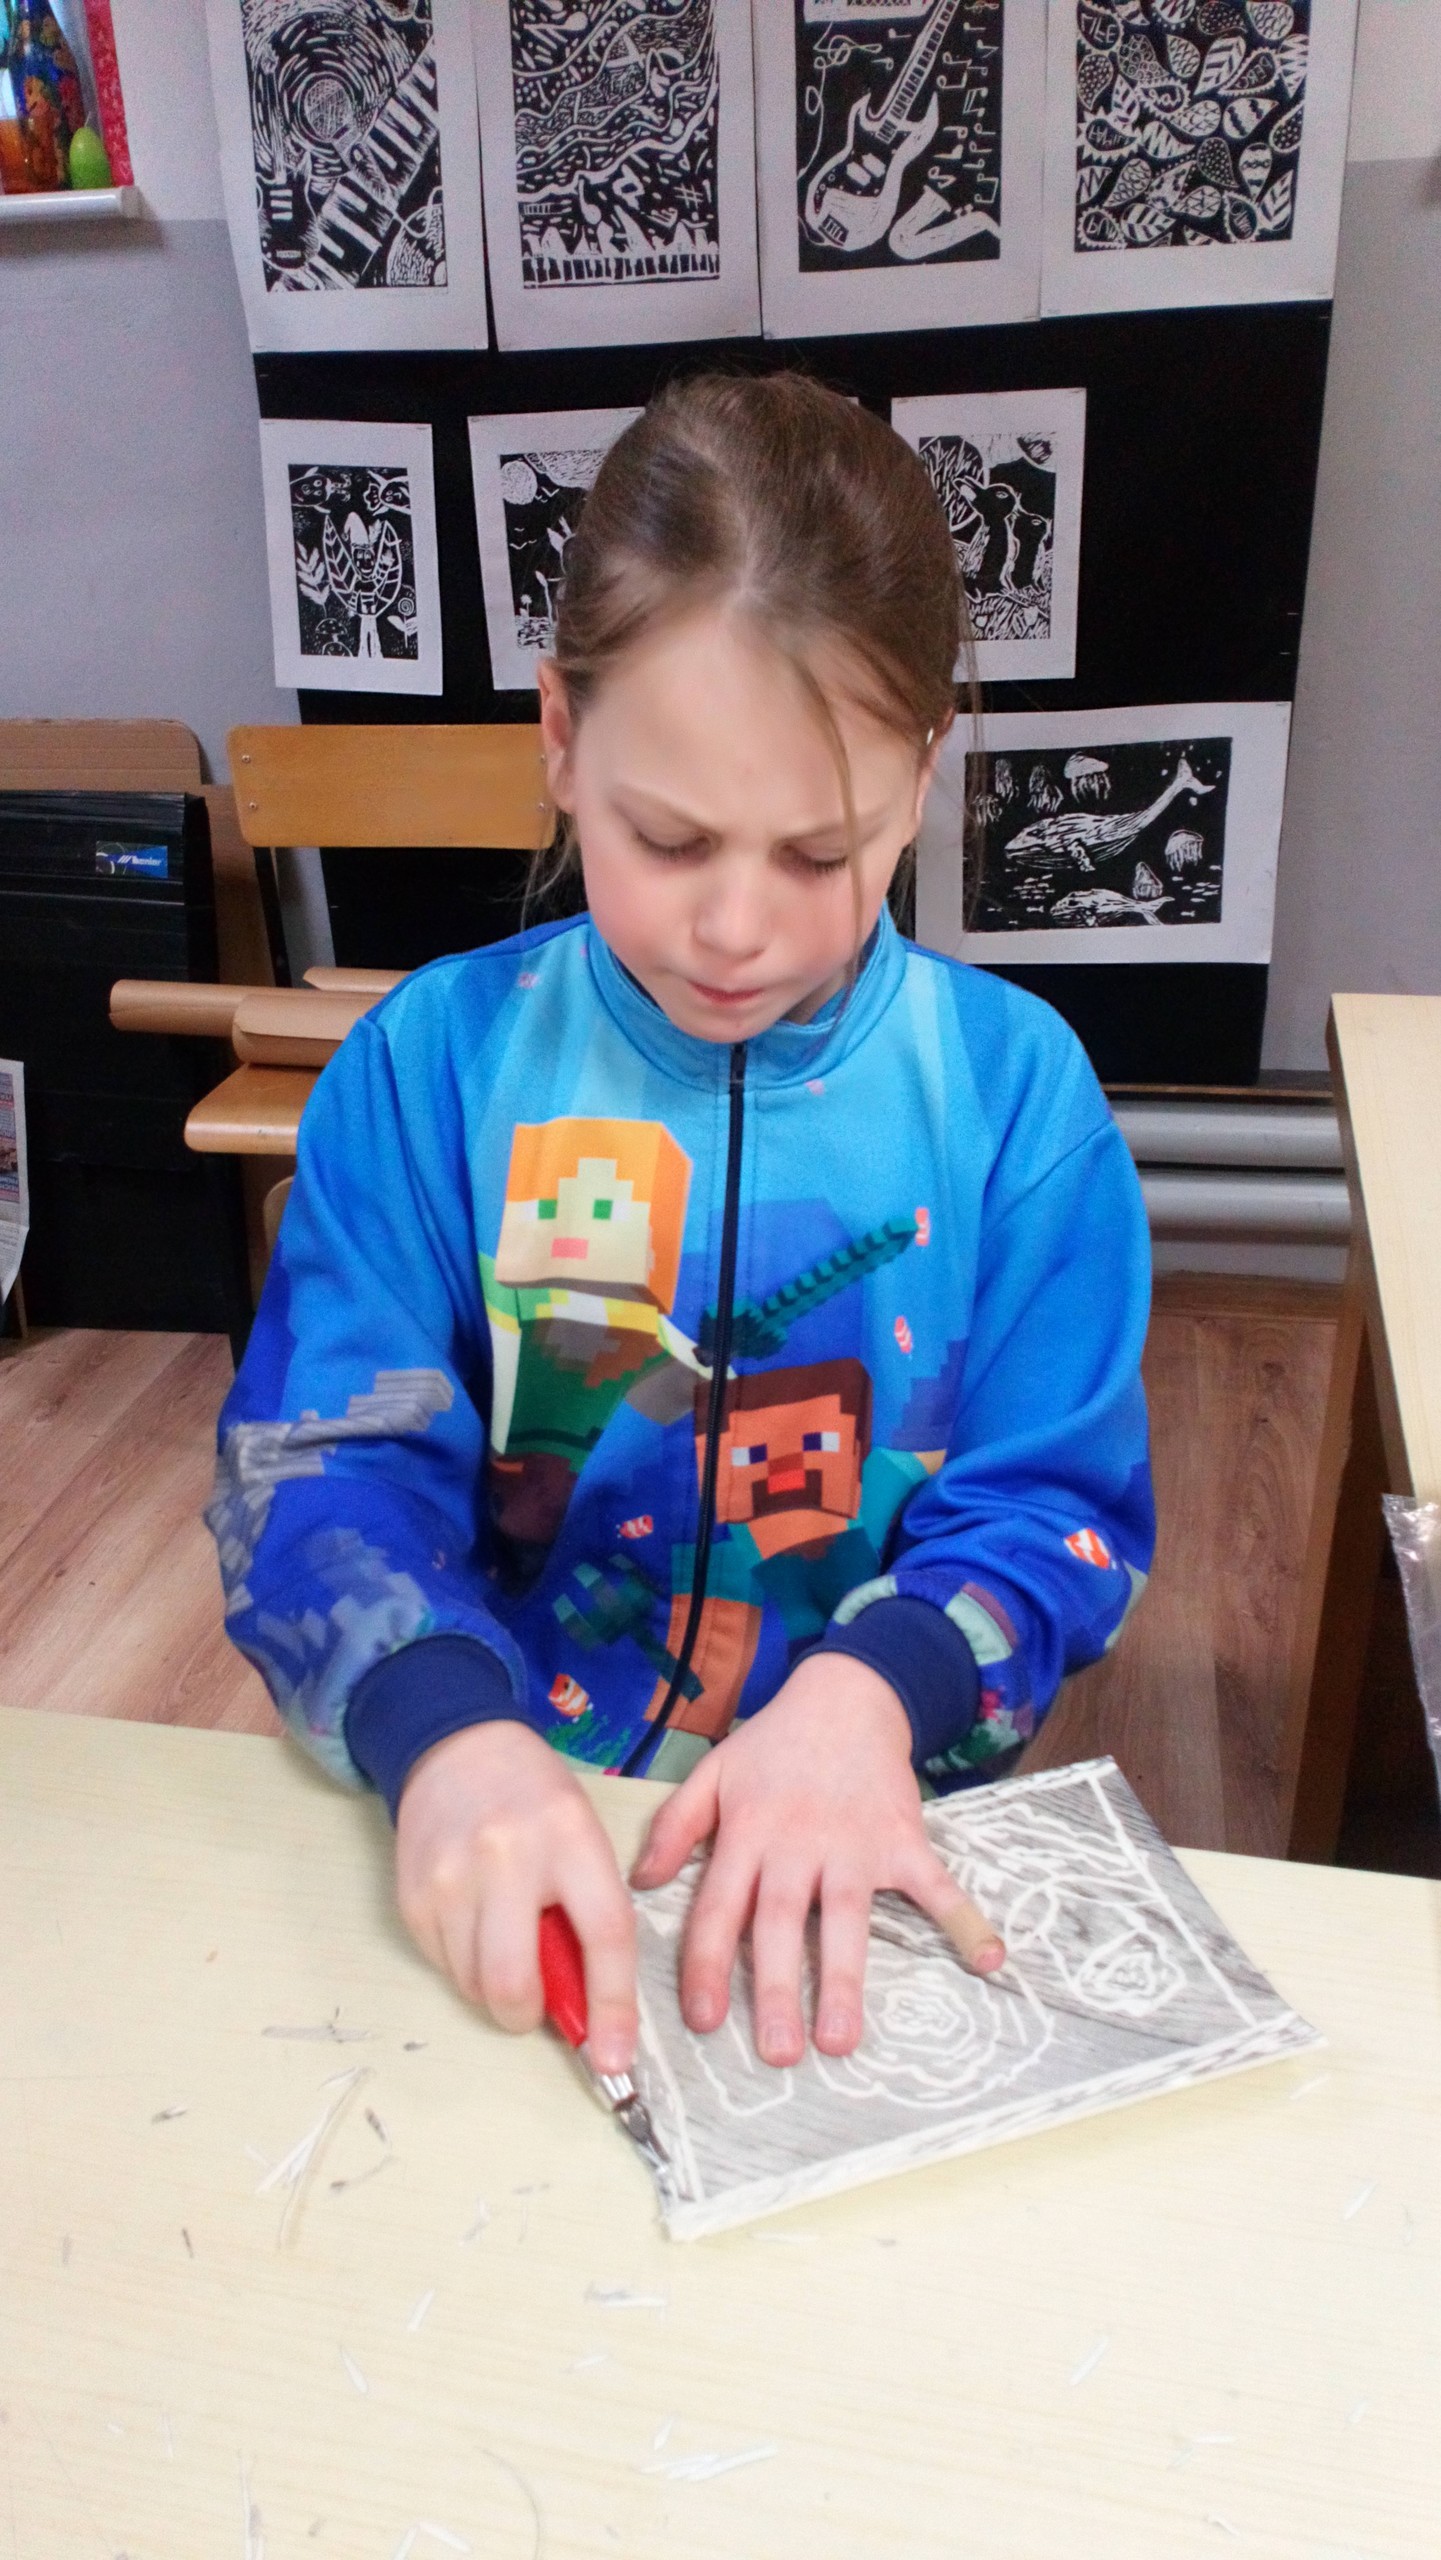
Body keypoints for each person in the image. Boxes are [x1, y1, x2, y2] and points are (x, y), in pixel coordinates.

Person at [208, 372, 1154, 2084]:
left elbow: (1055, 1512)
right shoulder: (431, 1069)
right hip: (513, 1817)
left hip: (866, 1832)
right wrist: (443, 1734)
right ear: (560, 739)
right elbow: (325, 1466)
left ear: (921, 780)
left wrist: (873, 1695)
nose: (734, 928)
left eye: (820, 854)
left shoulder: (1015, 1099)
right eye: (667, 838)